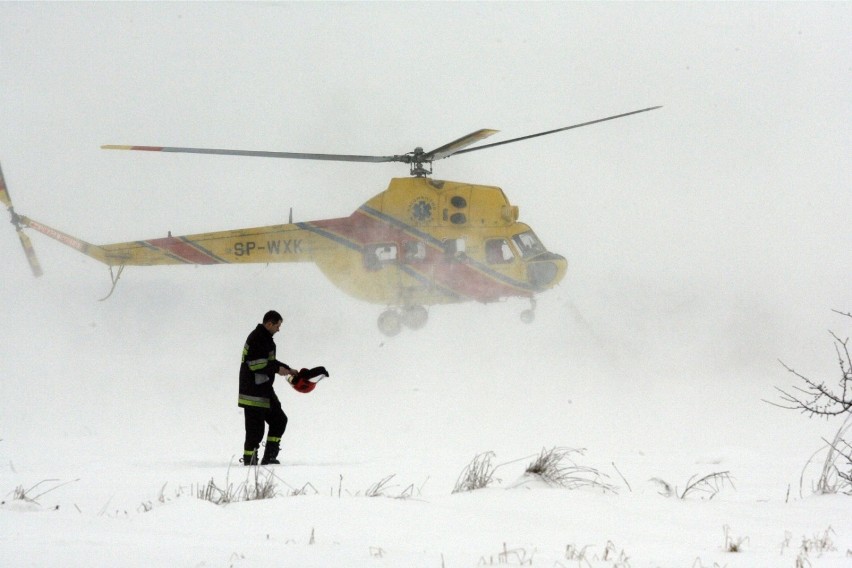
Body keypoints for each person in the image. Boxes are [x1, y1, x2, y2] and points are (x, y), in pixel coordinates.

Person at [238, 310, 295, 466]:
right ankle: (250, 462)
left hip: (264, 390)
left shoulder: (265, 338)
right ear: (269, 323)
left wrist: (288, 369)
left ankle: (269, 457)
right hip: (253, 392)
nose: (279, 329)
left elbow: (269, 361)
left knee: (279, 420)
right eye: (278, 325)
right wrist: (277, 369)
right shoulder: (258, 338)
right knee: (255, 431)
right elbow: (255, 364)